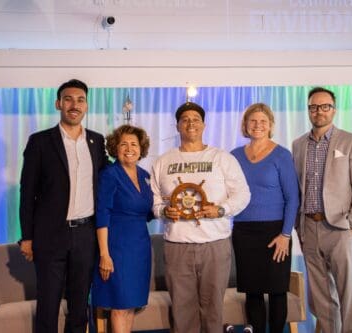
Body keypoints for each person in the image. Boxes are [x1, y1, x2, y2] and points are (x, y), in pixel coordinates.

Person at [150, 101, 251, 333]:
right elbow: (154, 202)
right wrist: (164, 211)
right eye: (185, 119)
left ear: (204, 125)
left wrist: (221, 209)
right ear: (177, 126)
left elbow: (243, 194)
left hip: (215, 245)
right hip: (177, 246)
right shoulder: (163, 162)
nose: (190, 123)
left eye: (195, 119)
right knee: (182, 313)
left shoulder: (222, 158)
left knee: (213, 311)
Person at [19, 79, 108, 333]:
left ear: (86, 106)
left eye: (80, 100)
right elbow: (27, 193)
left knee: (80, 306)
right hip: (50, 236)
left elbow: (107, 180)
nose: (74, 105)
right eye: (68, 99)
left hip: (86, 235)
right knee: (48, 304)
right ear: (58, 103)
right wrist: (27, 237)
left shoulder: (96, 142)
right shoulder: (40, 142)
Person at [292, 87, 352, 333]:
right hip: (309, 228)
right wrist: (298, 226)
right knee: (321, 298)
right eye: (314, 107)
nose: (319, 111)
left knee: (347, 294)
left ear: (333, 110)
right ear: (309, 110)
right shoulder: (298, 145)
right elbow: (296, 187)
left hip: (340, 229)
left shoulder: (351, 141)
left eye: (325, 106)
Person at [230, 103, 299, 333]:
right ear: (245, 125)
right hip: (243, 231)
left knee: (277, 290)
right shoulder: (234, 156)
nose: (257, 125)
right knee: (253, 290)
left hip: (275, 232)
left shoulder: (282, 155)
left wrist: (285, 235)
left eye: (263, 122)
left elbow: (293, 199)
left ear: (270, 126)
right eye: (253, 121)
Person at [91, 124, 154, 333]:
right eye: (123, 144)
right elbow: (102, 214)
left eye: (134, 144)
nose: (129, 148)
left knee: (131, 306)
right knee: (119, 306)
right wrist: (104, 254)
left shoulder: (145, 175)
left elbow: (149, 212)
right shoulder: (110, 174)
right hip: (116, 248)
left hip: (140, 248)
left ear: (141, 148)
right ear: (115, 148)